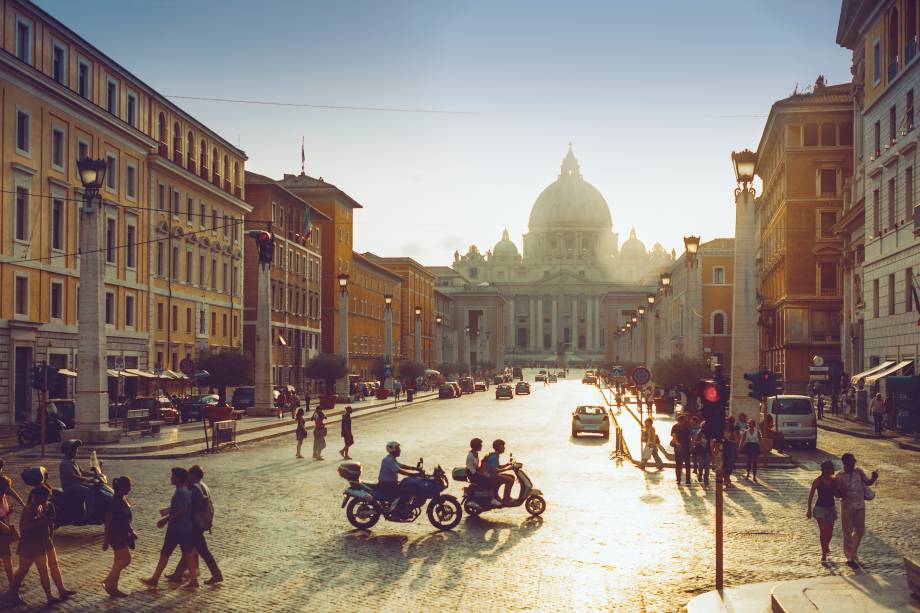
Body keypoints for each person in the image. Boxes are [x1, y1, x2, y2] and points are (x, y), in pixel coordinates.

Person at [141, 467, 199, 590]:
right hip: (186, 527)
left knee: (165, 553)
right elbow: (183, 507)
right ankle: (194, 580)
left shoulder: (180, 492)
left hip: (177, 528)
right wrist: (169, 510)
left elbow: (181, 510)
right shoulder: (186, 491)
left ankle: (155, 579)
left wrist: (165, 519)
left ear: (178, 478)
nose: (171, 478)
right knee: (188, 554)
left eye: (173, 476)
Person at [166, 465, 222, 585]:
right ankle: (179, 574)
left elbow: (194, 505)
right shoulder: (202, 485)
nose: (187, 477)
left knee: (199, 550)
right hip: (198, 523)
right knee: (190, 549)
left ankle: (215, 574)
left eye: (189, 475)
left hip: (196, 524)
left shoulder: (196, 488)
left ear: (194, 475)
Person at [5, 487, 58, 606]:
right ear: (37, 497)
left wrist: (48, 529)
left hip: (40, 543)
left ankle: (49, 596)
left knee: (43, 570)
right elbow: (23, 529)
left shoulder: (41, 507)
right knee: (22, 571)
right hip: (29, 545)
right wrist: (42, 522)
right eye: (45, 498)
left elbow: (47, 524)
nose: (47, 500)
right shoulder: (28, 509)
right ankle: (12, 594)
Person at [835, 453, 878, 568]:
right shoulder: (839, 476)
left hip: (860, 506)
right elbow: (836, 493)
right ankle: (850, 555)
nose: (854, 462)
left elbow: (867, 482)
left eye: (854, 460)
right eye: (852, 461)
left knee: (860, 530)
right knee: (847, 531)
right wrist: (841, 492)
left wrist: (873, 478)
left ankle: (853, 550)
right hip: (846, 506)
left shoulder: (858, 472)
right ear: (845, 462)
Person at [102, 476, 136, 597]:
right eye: (129, 486)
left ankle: (112, 588)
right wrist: (105, 540)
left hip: (122, 533)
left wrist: (131, 532)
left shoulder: (123, 499)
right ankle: (108, 579)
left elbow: (126, 519)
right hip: (115, 534)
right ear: (123, 487)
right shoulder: (114, 501)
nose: (130, 488)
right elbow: (108, 521)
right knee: (126, 560)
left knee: (118, 561)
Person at [807, 461, 841, 562]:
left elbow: (836, 494)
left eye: (831, 468)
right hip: (819, 508)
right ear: (824, 470)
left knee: (829, 532)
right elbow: (811, 496)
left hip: (831, 508)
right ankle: (823, 554)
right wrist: (809, 509)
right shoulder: (817, 481)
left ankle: (826, 545)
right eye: (829, 469)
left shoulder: (834, 481)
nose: (831, 470)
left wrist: (842, 492)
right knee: (823, 531)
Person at [59, 439, 95, 521]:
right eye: (74, 449)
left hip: (77, 485)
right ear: (68, 451)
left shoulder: (72, 461)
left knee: (94, 487)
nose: (76, 451)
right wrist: (88, 480)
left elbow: (82, 471)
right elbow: (72, 476)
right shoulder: (65, 463)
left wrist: (95, 474)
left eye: (76, 449)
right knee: (89, 492)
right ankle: (88, 515)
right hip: (70, 487)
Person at [377, 441, 420, 509]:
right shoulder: (388, 460)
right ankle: (398, 509)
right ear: (392, 449)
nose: (400, 450)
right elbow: (398, 470)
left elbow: (401, 466)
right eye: (398, 448)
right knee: (407, 492)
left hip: (390, 484)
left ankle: (400, 507)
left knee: (407, 486)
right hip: (386, 485)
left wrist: (414, 468)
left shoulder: (391, 458)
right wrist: (413, 475)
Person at [482, 439, 514, 505]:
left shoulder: (496, 455)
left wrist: (507, 464)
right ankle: (506, 498)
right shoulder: (494, 456)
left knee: (512, 477)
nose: (504, 447)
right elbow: (495, 470)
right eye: (503, 446)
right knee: (510, 480)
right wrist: (507, 469)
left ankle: (502, 496)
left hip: (494, 475)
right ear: (498, 447)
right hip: (492, 477)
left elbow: (498, 466)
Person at [0, 476, 18, 586]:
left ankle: (13, 581)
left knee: (7, 557)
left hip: (3, 529)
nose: (7, 491)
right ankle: (13, 583)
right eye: (6, 488)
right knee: (7, 557)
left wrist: (9, 511)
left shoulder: (3, 497)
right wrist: (1, 524)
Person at [670, 414, 693, 485]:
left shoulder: (687, 427)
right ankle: (678, 479)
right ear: (681, 420)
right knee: (678, 464)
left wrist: (691, 445)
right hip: (679, 448)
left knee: (687, 465)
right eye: (684, 420)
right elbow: (674, 436)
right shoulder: (675, 427)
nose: (685, 421)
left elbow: (690, 437)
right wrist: (677, 443)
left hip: (686, 447)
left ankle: (688, 479)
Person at [742, 419, 762, 483]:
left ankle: (754, 476)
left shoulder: (757, 432)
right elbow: (742, 440)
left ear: (754, 424)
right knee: (748, 461)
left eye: (751, 423)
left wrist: (762, 447)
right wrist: (740, 447)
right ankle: (747, 474)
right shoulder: (746, 432)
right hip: (748, 446)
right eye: (749, 423)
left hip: (755, 446)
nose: (750, 425)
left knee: (754, 461)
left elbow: (760, 440)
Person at [723, 417, 738, 488]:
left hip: (731, 448)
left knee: (729, 464)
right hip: (723, 449)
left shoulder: (733, 431)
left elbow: (736, 440)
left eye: (727, 423)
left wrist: (729, 440)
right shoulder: (722, 431)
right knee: (724, 464)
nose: (726, 424)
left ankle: (727, 477)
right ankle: (725, 478)